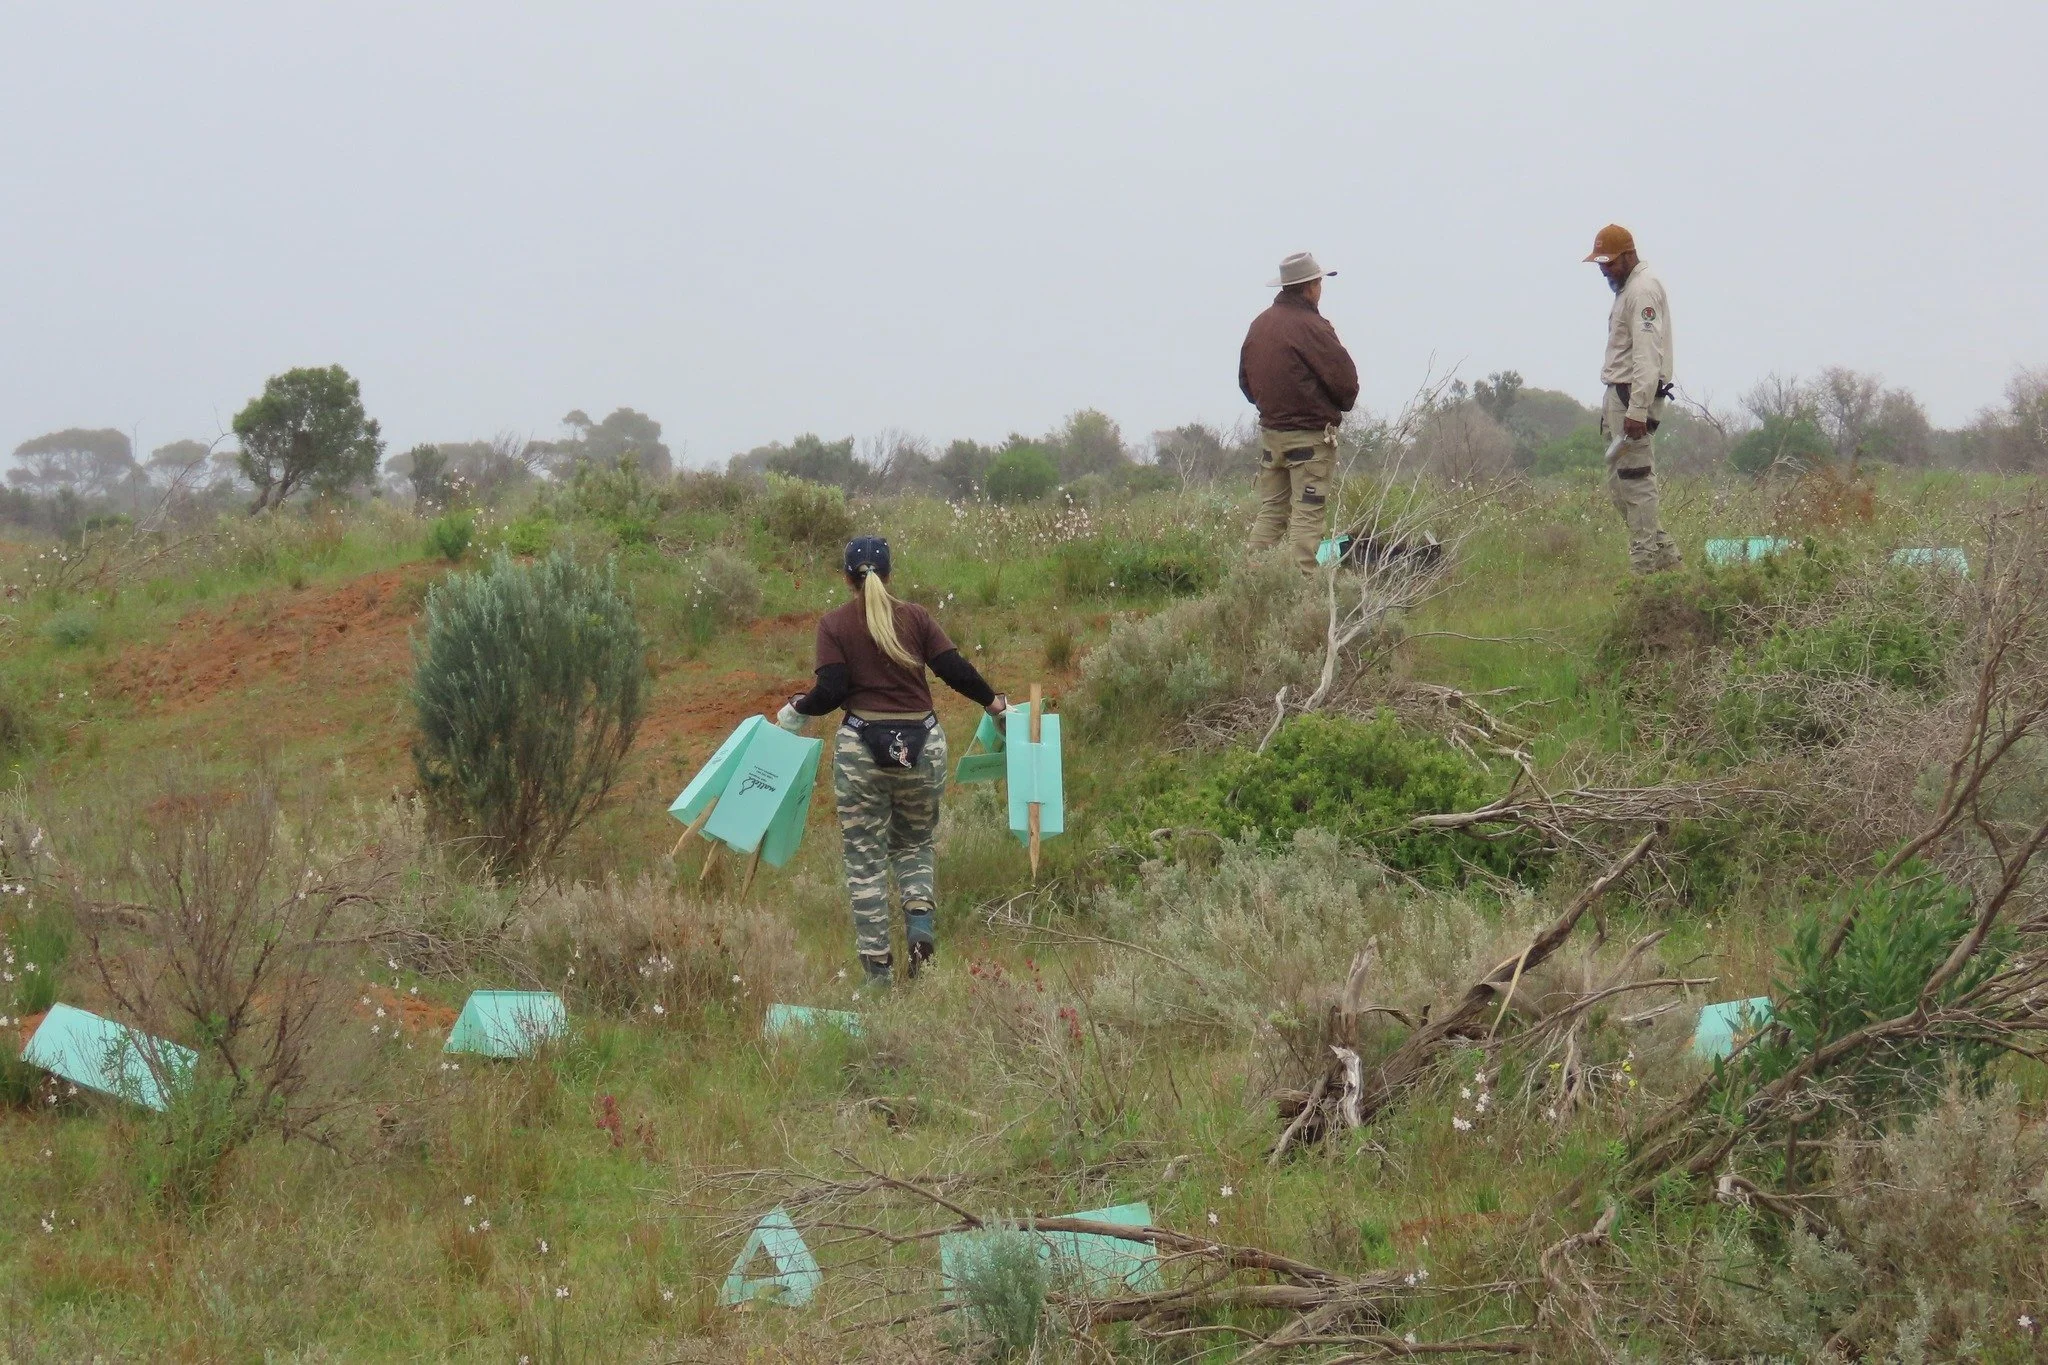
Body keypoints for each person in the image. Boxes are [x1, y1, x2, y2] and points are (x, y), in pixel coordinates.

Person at [777, 536, 1008, 986]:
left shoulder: (834, 624)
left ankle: (878, 975)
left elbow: (832, 691)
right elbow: (954, 669)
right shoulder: (917, 617)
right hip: (924, 744)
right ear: (890, 574)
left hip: (861, 749)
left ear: (847, 578)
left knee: (864, 860)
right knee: (914, 845)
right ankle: (920, 927)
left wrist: (796, 710)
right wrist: (993, 704)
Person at [1238, 251, 1361, 573]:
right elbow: (1346, 384)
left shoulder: (1259, 325)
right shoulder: (1312, 327)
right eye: (1319, 282)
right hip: (1309, 440)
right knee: (1307, 516)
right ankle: (1305, 595)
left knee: (1271, 513)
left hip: (1271, 438)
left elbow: (1245, 383)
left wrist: (1275, 412)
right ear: (1310, 286)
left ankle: (1249, 587)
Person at [1585, 224, 1681, 573]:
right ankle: (1667, 562)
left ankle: (1646, 571)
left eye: (1609, 262)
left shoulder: (1642, 289)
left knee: (1635, 480)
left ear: (1628, 254)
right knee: (1618, 484)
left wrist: (1637, 409)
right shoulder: (1627, 289)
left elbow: (1647, 354)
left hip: (1633, 399)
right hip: (1620, 397)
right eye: (1600, 264)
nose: (1604, 269)